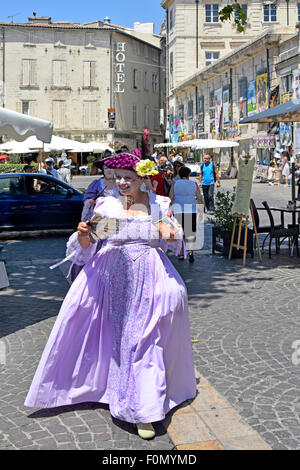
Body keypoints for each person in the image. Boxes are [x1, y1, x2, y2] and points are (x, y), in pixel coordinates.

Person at [24, 153, 197, 440]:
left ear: (142, 178)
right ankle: (112, 390)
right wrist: (83, 234)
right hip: (111, 281)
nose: (122, 183)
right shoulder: (107, 205)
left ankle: (144, 410)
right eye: (118, 178)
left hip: (151, 279)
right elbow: (89, 243)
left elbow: (177, 238)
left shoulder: (158, 204)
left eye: (128, 178)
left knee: (143, 340)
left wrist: (170, 232)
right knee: (120, 339)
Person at [170, 166, 203, 263]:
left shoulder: (175, 184)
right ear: (189, 174)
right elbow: (199, 199)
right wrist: (201, 211)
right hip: (191, 211)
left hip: (178, 211)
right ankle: (191, 252)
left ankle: (181, 253)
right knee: (190, 233)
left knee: (179, 233)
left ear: (179, 175)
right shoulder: (194, 184)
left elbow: (170, 198)